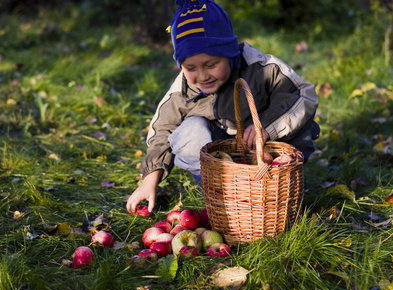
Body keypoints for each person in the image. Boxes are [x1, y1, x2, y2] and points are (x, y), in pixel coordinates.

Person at [126, 0, 320, 215]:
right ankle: (217, 191)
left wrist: (268, 127)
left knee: (298, 120)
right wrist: (150, 180)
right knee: (190, 130)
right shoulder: (184, 89)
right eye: (191, 68)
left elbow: (303, 94)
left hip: (268, 148)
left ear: (229, 53)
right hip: (223, 152)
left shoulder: (260, 68)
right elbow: (161, 129)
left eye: (211, 65)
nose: (202, 76)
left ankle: (279, 190)